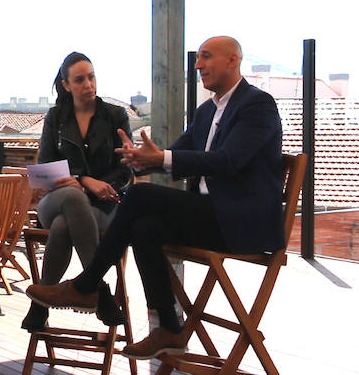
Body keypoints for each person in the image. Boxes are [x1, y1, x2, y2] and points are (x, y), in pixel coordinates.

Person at [26, 36, 284, 360]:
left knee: (140, 195)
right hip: (214, 216)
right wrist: (144, 157)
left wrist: (158, 158)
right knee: (144, 227)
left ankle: (87, 284)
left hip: (242, 222)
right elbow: (175, 151)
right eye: (198, 58)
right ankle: (170, 328)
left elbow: (227, 161)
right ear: (65, 85)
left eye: (206, 57)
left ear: (233, 60)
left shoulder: (257, 105)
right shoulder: (207, 112)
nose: (198, 64)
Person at [21, 52, 133, 332]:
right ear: (66, 85)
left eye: (91, 77)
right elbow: (44, 166)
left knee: (63, 226)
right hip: (57, 198)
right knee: (72, 198)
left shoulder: (115, 116)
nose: (88, 84)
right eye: (80, 79)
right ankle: (98, 288)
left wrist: (95, 186)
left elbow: (125, 170)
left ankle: (40, 305)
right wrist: (83, 180)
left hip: (103, 206)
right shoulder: (56, 117)